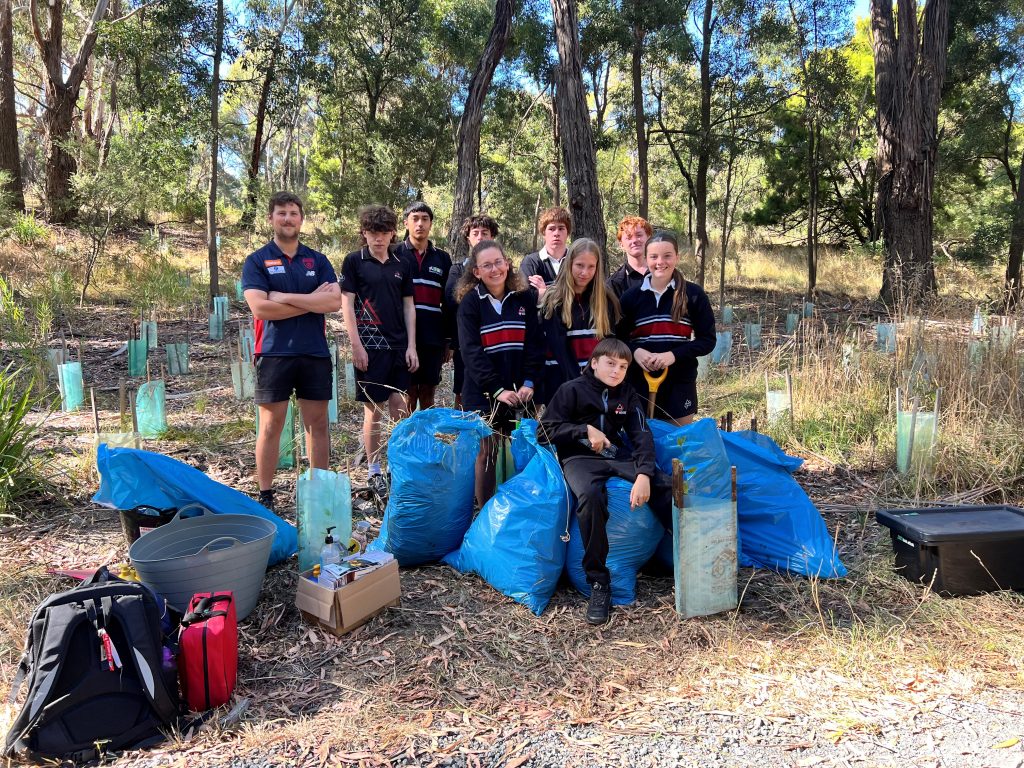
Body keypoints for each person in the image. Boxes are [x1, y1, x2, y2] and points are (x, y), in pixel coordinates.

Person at [538, 337, 673, 625]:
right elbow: (544, 430)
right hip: (579, 459)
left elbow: (642, 436)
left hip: (614, 455)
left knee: (666, 484)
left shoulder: (627, 393)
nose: (616, 371)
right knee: (590, 497)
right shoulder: (570, 390)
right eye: (610, 364)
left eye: (623, 366)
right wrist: (583, 430)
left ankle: (678, 555)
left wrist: (644, 475)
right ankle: (599, 583)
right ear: (594, 362)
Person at [241, 191, 342, 512]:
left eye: (293, 213)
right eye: (281, 213)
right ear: (271, 218)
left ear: (302, 219)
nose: (288, 219)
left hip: (314, 352)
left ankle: (320, 489)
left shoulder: (318, 260)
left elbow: (334, 302)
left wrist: (282, 297)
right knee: (271, 425)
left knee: (318, 424)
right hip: (273, 353)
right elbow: (260, 308)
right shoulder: (257, 261)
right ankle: (266, 493)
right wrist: (310, 301)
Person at [456, 240, 543, 506]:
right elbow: (470, 352)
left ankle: (519, 509)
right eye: (486, 265)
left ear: (507, 263)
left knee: (522, 447)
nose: (494, 269)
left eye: (498, 262)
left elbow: (535, 344)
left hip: (520, 391)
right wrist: (497, 390)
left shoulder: (524, 298)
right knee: (488, 450)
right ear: (476, 272)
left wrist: (528, 382)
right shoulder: (470, 304)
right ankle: (484, 513)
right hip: (484, 391)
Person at [340, 205, 418, 499]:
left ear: (393, 233)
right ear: (364, 233)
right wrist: (356, 344)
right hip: (370, 347)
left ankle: (396, 465)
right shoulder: (354, 262)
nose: (379, 238)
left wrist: (412, 345)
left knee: (400, 405)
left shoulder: (402, 262)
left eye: (384, 232)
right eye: (373, 232)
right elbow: (346, 304)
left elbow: (409, 305)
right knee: (373, 409)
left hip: (399, 345)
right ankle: (373, 468)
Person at [617, 231, 716, 426]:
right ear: (646, 259)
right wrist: (635, 352)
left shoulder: (694, 295)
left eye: (667, 256)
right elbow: (616, 338)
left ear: (677, 258)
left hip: (680, 381)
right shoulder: (630, 297)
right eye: (653, 256)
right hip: (638, 381)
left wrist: (673, 355)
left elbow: (707, 341)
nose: (660, 262)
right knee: (642, 440)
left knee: (678, 444)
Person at [539, 238, 620, 398]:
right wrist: (580, 384)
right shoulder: (554, 299)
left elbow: (610, 343)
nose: (585, 272)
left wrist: (599, 378)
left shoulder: (606, 299)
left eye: (591, 267)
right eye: (579, 265)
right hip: (561, 381)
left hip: (598, 380)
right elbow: (559, 347)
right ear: (569, 264)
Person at [394, 202, 452, 411]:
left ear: (431, 224)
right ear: (406, 223)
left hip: (432, 336)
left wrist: (448, 340)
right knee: (407, 392)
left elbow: (448, 301)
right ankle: (409, 440)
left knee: (428, 392)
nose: (420, 224)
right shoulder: (394, 253)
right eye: (415, 218)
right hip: (401, 335)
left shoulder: (443, 258)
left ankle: (427, 440)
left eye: (425, 219)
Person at [446, 214, 499, 409]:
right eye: (475, 233)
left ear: (492, 237)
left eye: (485, 233)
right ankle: (463, 435)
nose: (480, 237)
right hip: (466, 340)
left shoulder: (503, 268)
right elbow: (452, 299)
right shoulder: (457, 269)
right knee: (463, 390)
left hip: (499, 340)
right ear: (468, 238)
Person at [520, 206, 571, 302]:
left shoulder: (576, 261)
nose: (556, 233)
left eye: (561, 228)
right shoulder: (530, 262)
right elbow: (525, 299)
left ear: (567, 232)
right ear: (544, 232)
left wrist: (544, 291)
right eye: (551, 229)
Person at [608, 215, 653, 298]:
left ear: (648, 238)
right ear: (621, 244)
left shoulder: (663, 272)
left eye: (639, 235)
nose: (634, 240)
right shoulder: (615, 283)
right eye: (628, 237)